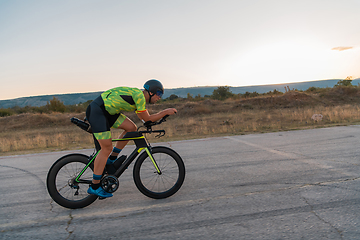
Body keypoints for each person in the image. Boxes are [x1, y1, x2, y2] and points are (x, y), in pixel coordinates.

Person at [85, 79, 177, 198]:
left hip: (109, 113)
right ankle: (94, 186)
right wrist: (165, 112)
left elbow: (143, 119)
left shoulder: (139, 98)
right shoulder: (139, 96)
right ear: (151, 92)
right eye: (159, 94)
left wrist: (159, 117)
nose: (159, 97)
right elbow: (147, 119)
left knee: (131, 128)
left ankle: (112, 159)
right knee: (105, 149)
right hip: (98, 111)